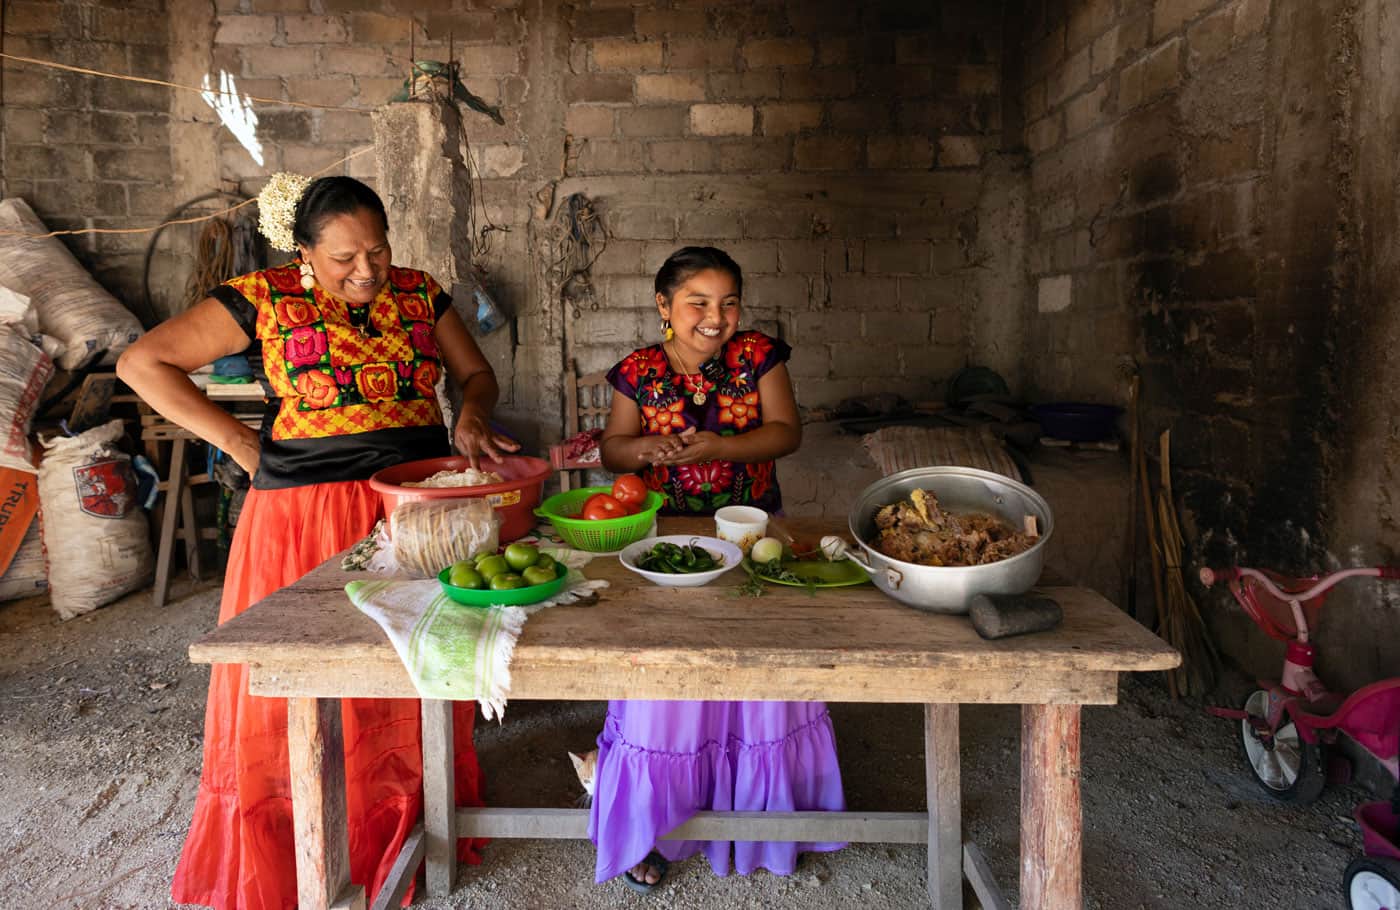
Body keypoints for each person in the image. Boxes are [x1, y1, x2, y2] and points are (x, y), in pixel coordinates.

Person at [117, 174, 517, 910]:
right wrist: (238, 443)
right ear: (304, 253)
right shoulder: (262, 297)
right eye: (342, 259)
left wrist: (471, 414)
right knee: (306, 680)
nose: (365, 271)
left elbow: (476, 372)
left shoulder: (419, 292)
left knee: (409, 665)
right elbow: (142, 363)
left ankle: (406, 818)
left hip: (411, 512)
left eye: (376, 249)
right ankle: (307, 834)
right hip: (303, 517)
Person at [592, 246, 845, 892]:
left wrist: (722, 446)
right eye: (698, 303)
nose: (716, 316)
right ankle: (652, 825)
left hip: (753, 533)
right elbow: (611, 450)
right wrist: (644, 448)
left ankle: (761, 819)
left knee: (756, 671)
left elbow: (786, 432)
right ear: (664, 308)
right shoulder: (641, 372)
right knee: (666, 680)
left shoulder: (759, 355)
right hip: (665, 545)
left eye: (728, 302)